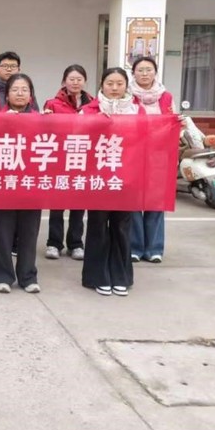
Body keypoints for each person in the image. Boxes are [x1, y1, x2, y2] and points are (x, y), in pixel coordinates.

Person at [80, 67, 145, 297]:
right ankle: (98, 276)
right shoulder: (88, 110)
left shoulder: (137, 110)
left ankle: (121, 276)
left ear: (127, 85)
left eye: (119, 83)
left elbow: (148, 138)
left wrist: (175, 125)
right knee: (98, 226)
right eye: (110, 83)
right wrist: (95, 124)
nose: (114, 88)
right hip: (98, 178)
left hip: (126, 177)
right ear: (101, 84)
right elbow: (76, 138)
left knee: (122, 226)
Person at [0, 73, 42, 294]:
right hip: (4, 184)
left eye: (24, 90)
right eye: (15, 90)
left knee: (29, 233)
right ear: (7, 95)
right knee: (3, 232)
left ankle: (28, 276)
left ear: (31, 95)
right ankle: (2, 276)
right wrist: (4, 123)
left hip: (32, 184)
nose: (19, 94)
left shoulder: (42, 119)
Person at [0, 51, 33, 257]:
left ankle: (15, 243)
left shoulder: (26, 91)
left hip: (20, 154)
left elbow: (35, 119)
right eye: (5, 66)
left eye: (13, 66)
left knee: (18, 200)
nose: (9, 69)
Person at [42, 64, 94, 261]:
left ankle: (76, 244)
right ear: (64, 81)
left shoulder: (93, 104)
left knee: (79, 205)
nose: (75, 82)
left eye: (79, 79)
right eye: (71, 79)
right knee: (57, 205)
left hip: (82, 159)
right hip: (59, 160)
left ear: (85, 81)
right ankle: (54, 243)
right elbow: (44, 130)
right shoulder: (52, 104)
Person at [129, 56, 175, 264]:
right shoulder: (128, 95)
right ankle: (135, 247)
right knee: (134, 201)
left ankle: (154, 248)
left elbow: (172, 123)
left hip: (159, 154)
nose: (144, 73)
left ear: (155, 72)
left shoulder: (166, 97)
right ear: (133, 73)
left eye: (149, 69)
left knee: (156, 200)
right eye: (140, 70)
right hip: (134, 154)